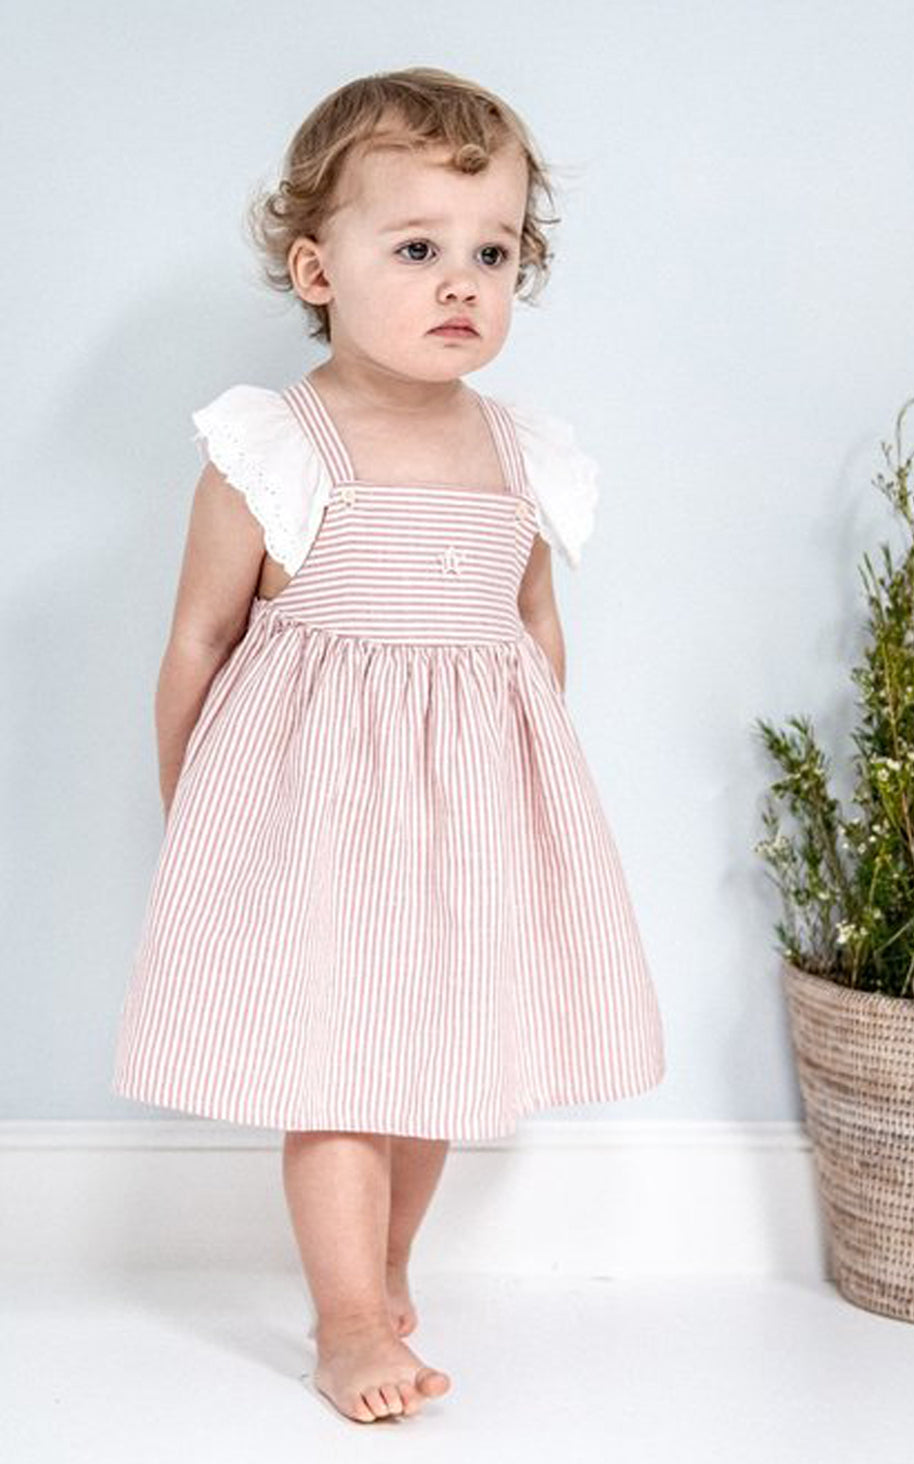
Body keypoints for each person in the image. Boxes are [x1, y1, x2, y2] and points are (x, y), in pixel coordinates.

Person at [110, 65, 667, 1426]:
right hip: (315, 822)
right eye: (417, 250)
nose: (461, 282)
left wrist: (528, 807)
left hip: (467, 822)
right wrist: (195, 813)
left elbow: (532, 634)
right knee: (339, 1064)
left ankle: (391, 1260)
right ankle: (348, 1319)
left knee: (441, 1055)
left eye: (494, 253)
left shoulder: (521, 454)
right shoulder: (276, 449)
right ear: (319, 270)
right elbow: (198, 642)